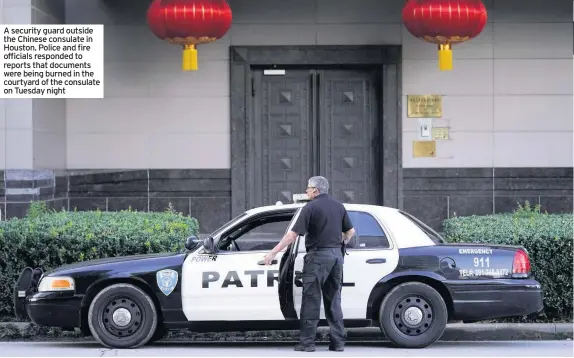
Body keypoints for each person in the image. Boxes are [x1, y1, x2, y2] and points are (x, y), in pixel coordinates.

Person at [263, 176, 355, 352]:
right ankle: (338, 344)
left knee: (311, 300)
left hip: (318, 257)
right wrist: (340, 244)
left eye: (308, 188)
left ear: (316, 190)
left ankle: (307, 344)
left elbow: (292, 236)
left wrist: (273, 253)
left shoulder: (310, 207)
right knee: (334, 300)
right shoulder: (339, 206)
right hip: (336, 258)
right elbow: (350, 231)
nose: (306, 190)